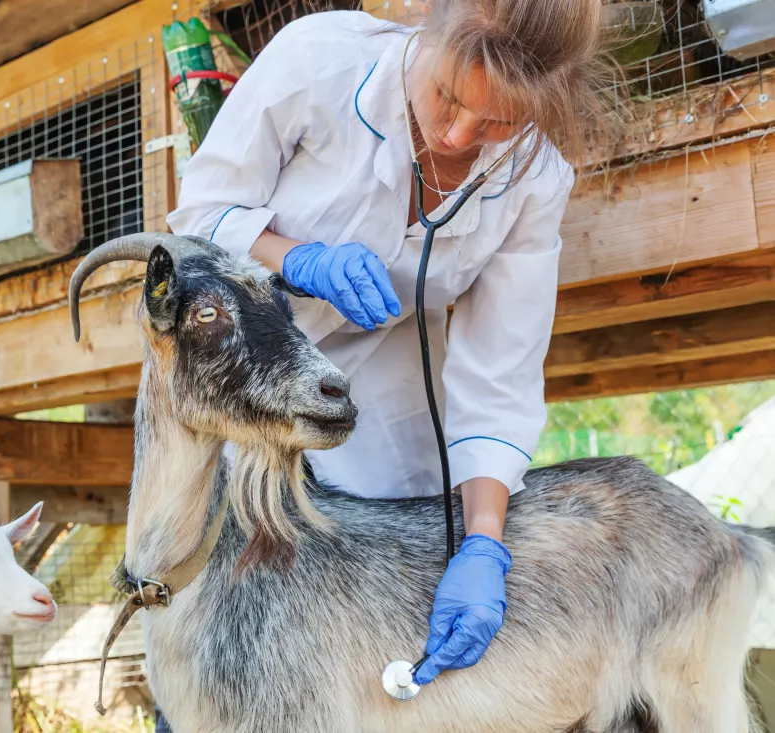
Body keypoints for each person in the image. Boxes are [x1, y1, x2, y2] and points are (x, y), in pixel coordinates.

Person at [165, 0, 616, 688]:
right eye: (446, 97)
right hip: (251, 356)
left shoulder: (536, 180)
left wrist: (485, 544)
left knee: (394, 574)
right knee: (227, 588)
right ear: (427, 31)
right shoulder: (317, 59)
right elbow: (201, 214)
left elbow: (499, 373)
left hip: (392, 359)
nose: (461, 135)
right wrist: (298, 256)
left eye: (499, 121)